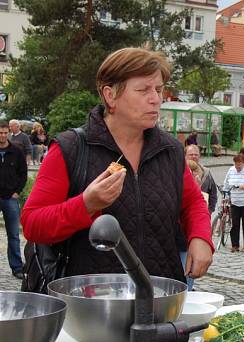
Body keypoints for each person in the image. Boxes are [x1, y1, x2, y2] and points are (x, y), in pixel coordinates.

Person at [21, 47, 214, 282]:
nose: (155, 98)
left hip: (158, 293)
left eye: (159, 89)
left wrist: (201, 237)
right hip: (91, 299)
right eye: (143, 90)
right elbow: (32, 223)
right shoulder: (71, 148)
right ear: (110, 95)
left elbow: (193, 202)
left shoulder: (170, 150)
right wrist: (86, 204)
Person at [0, 120, 27, 279]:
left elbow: (23, 174)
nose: (3, 136)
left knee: (14, 234)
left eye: (5, 133)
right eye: (0, 133)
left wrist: (17, 191)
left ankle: (17, 267)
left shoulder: (16, 151)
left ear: (8, 132)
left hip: (10, 198)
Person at [185, 144, 218, 213]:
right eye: (191, 154)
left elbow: (213, 193)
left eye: (196, 154)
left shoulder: (206, 172)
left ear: (199, 156)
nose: (194, 156)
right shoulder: (179, 172)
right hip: (184, 212)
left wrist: (210, 210)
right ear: (185, 156)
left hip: (201, 212)